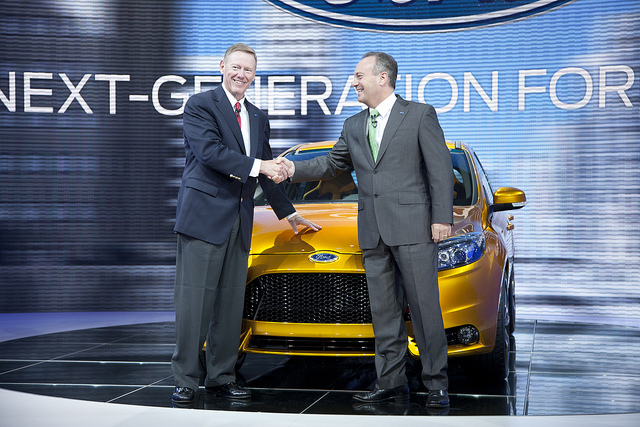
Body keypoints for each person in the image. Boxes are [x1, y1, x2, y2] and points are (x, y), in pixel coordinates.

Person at [279, 52, 453, 408]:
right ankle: (391, 382)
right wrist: (290, 169)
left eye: (359, 76)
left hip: (414, 229)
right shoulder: (353, 125)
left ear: (382, 78)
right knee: (384, 313)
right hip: (373, 231)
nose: (354, 82)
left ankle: (436, 384)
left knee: (424, 310)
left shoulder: (419, 115)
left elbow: (440, 170)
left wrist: (442, 218)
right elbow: (331, 164)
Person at [171, 43, 320, 405]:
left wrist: (289, 213)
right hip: (204, 219)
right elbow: (210, 153)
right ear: (222, 66)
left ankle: (221, 377)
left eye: (248, 70)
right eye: (236, 67)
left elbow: (267, 170)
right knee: (194, 304)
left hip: (240, 220)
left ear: (255, 75)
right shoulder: (200, 105)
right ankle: (186, 379)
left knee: (229, 305)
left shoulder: (257, 116)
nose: (241, 74)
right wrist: (259, 165)